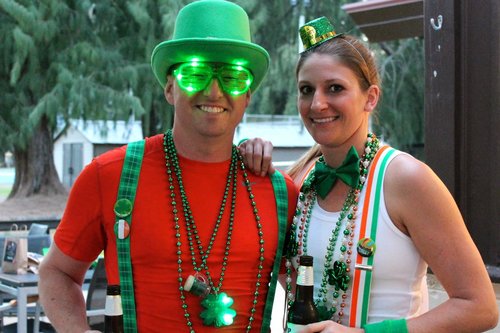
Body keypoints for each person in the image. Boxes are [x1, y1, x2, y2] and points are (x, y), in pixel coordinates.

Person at [38, 1, 298, 332]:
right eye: (194, 73)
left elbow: (312, 286)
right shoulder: (109, 176)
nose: (214, 90)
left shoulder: (279, 192)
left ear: (247, 96)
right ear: (169, 88)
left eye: (232, 77)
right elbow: (56, 272)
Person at [240, 16, 498, 333]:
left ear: (370, 97)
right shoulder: (299, 178)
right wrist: (248, 161)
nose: (317, 103)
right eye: (306, 90)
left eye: (335, 88)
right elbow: (274, 270)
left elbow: (480, 307)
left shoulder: (406, 178)